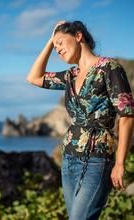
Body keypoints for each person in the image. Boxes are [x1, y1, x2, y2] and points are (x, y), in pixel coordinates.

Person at [26, 20, 134, 220]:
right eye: (55, 46)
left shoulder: (108, 68)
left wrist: (120, 163)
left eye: (60, 42)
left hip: (97, 159)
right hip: (69, 159)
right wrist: (51, 41)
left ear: (78, 36)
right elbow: (34, 77)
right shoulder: (70, 76)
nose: (57, 49)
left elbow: (127, 116)